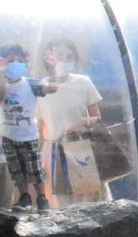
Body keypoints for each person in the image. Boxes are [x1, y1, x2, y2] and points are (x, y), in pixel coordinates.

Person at [36, 36, 107, 206]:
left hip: (80, 146)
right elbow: (39, 126)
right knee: (59, 203)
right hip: (52, 149)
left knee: (87, 201)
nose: (64, 60)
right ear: (48, 56)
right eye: (59, 55)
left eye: (70, 57)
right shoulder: (40, 88)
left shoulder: (83, 82)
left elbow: (97, 117)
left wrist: (81, 124)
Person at [1, 43, 53, 211]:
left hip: (28, 136)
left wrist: (52, 75)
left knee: (35, 169)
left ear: (26, 63)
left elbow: (47, 89)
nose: (15, 63)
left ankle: (42, 198)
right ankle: (24, 197)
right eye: (11, 60)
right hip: (9, 135)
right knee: (16, 169)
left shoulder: (30, 83)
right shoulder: (3, 84)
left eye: (20, 60)